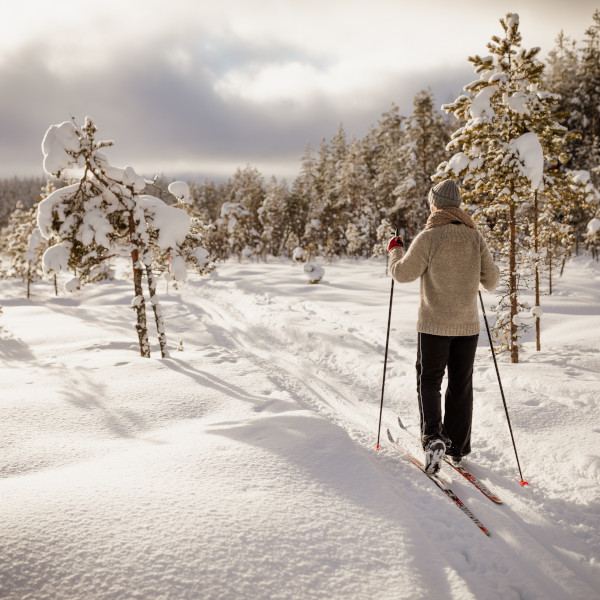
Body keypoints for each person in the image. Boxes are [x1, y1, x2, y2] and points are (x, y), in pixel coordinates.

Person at [387, 179, 500, 474]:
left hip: (434, 325)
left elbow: (402, 274)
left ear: (435, 204)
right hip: (467, 327)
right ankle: (458, 448)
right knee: (460, 384)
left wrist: (395, 250)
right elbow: (491, 281)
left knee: (429, 381)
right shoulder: (475, 238)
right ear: (458, 205)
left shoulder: (429, 236)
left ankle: (434, 437)